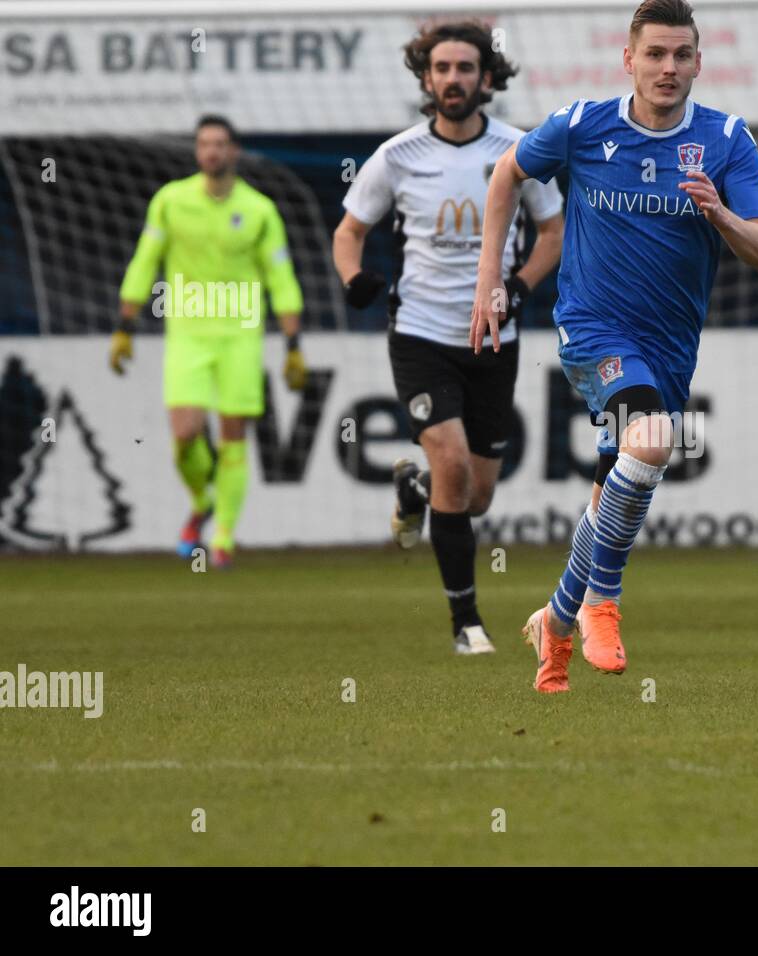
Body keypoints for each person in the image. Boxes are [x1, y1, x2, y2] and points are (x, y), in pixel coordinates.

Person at [470, 0, 758, 691]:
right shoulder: (583, 126)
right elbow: (505, 175)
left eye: (681, 55)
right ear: (629, 60)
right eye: (655, 54)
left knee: (617, 482)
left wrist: (721, 214)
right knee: (651, 440)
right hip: (593, 331)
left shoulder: (728, 140)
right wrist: (489, 280)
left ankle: (555, 622)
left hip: (670, 347)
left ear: (699, 61)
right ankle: (602, 604)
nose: (667, 68)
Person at [334, 21, 563, 654]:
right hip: (421, 333)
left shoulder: (522, 150)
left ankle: (413, 489)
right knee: (454, 466)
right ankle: (466, 624)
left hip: (494, 337)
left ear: (486, 79)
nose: (453, 79)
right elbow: (348, 231)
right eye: (442, 69)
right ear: (426, 78)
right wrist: (354, 278)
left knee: (475, 495)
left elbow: (554, 233)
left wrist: (516, 287)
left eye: (466, 68)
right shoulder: (398, 155)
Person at [114, 115, 305, 568]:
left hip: (241, 335)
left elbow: (281, 275)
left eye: (220, 143)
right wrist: (124, 323)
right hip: (188, 334)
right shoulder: (171, 201)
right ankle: (202, 500)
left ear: (234, 151)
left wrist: (293, 343)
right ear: (198, 152)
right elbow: (145, 260)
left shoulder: (259, 210)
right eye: (204, 144)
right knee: (184, 436)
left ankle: (222, 536)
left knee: (234, 437)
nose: (212, 151)